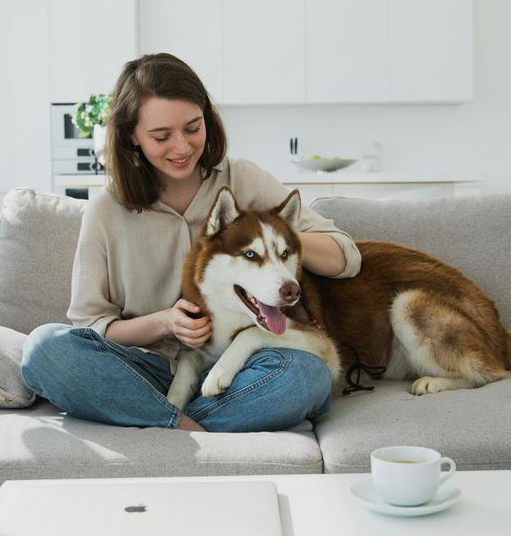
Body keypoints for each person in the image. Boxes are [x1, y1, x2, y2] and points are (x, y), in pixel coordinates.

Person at [21, 53, 361, 432]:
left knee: (306, 376)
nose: (181, 147)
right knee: (43, 348)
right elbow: (93, 325)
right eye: (161, 136)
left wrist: (270, 232)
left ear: (207, 118)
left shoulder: (243, 179)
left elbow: (345, 257)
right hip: (144, 371)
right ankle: (186, 426)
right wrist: (165, 323)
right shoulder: (105, 212)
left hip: (240, 366)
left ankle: (163, 425)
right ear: (132, 135)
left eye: (192, 128)